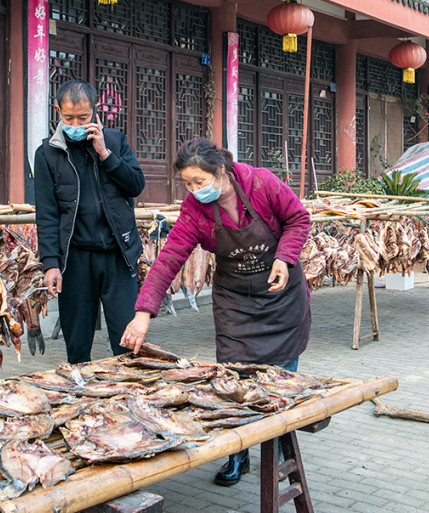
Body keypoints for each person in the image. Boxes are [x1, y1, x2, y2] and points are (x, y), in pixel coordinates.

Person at [121, 137, 311, 486]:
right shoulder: (195, 209)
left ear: (221, 170)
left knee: (281, 380)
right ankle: (237, 453)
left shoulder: (261, 183)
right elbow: (169, 258)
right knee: (231, 379)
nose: (195, 190)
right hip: (235, 302)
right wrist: (143, 311)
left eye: (200, 181)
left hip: (280, 297)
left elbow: (298, 219)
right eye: (188, 184)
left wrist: (285, 258)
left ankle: (282, 444)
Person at [35, 80, 145, 364]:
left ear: (95, 112)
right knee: (78, 344)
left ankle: (127, 388)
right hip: (75, 259)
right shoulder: (47, 153)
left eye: (83, 118)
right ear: (58, 111)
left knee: (127, 342)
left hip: (118, 254)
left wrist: (105, 153)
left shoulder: (115, 141)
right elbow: (46, 213)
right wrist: (51, 263)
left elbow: (135, 185)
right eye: (69, 118)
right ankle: (79, 389)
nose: (76, 124)